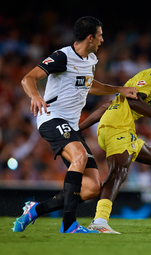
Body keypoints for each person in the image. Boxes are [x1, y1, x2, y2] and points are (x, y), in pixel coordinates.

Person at [13, 16, 137, 234]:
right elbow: (28, 78)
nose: (102, 40)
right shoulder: (62, 56)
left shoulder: (91, 60)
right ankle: (69, 224)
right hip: (51, 117)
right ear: (90, 37)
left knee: (91, 188)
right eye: (100, 35)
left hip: (71, 126)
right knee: (79, 157)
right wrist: (35, 96)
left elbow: (90, 85)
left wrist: (119, 89)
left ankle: (35, 210)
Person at [78, 56, 151, 234]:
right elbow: (133, 100)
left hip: (122, 129)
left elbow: (108, 105)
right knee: (119, 171)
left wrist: (79, 129)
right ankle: (99, 220)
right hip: (116, 127)